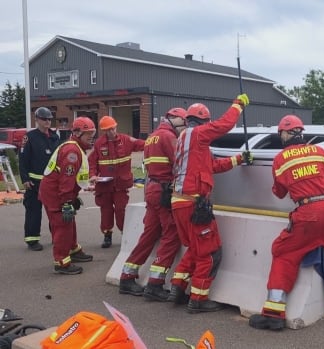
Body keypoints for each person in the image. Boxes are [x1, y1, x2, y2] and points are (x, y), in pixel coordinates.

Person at [249, 114, 324, 331]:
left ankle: (274, 313)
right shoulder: (321, 152)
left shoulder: (281, 158)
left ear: (285, 133)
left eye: (281, 133)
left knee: (284, 253)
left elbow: (278, 192)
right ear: (301, 132)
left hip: (307, 214)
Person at [167, 95, 252, 313]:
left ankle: (177, 289)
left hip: (180, 202)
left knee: (195, 248)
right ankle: (198, 299)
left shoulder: (186, 140)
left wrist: (238, 159)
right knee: (210, 253)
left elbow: (211, 166)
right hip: (194, 203)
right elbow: (225, 125)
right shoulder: (198, 134)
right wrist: (237, 105)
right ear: (203, 122)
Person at [119, 107, 188, 300]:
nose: (184, 128)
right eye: (183, 123)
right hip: (163, 191)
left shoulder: (152, 137)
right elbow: (180, 162)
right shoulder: (168, 137)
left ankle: (127, 276)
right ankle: (155, 283)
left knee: (149, 234)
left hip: (152, 189)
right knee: (172, 234)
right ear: (175, 120)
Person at [39, 117, 97, 275]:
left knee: (69, 222)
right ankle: (61, 262)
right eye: (88, 134)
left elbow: (73, 178)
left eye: (93, 134)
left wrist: (73, 197)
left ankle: (73, 250)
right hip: (55, 195)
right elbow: (66, 179)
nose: (92, 138)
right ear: (77, 133)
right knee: (62, 226)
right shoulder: (72, 151)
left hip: (59, 192)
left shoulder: (76, 147)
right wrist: (66, 202)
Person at [88, 115, 145, 248]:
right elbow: (92, 162)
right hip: (105, 185)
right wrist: (92, 175)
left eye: (113, 129)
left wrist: (155, 142)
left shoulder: (126, 140)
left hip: (120, 185)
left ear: (116, 127)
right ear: (104, 131)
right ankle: (107, 235)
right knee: (106, 211)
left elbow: (143, 144)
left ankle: (125, 233)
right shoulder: (99, 144)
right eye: (108, 130)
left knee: (121, 210)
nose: (111, 132)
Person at [19, 107, 61, 251]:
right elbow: (22, 160)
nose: (47, 121)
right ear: (37, 120)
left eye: (49, 119)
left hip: (52, 182)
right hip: (34, 182)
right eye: (44, 119)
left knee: (55, 211)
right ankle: (32, 240)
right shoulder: (29, 137)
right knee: (33, 211)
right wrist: (25, 179)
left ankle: (57, 236)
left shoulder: (55, 137)